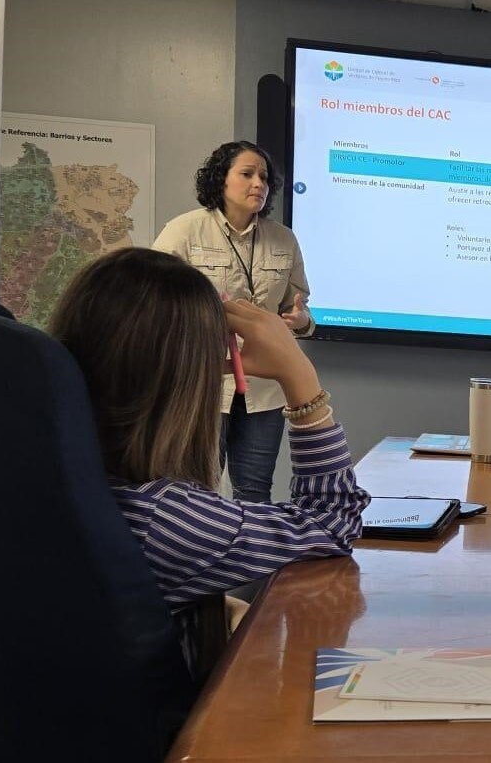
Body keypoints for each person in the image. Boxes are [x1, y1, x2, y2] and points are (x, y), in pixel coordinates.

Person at [48, 247, 368, 642]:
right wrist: (300, 377)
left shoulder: (36, 480)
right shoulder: (162, 518)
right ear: (189, 379)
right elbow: (332, 524)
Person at [154, 140, 313, 503]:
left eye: (264, 177)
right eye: (247, 174)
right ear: (220, 180)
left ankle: (252, 558)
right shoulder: (184, 230)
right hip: (204, 382)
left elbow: (299, 312)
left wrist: (301, 320)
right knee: (194, 489)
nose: (258, 183)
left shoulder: (284, 239)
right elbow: (152, 300)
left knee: (255, 490)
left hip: (265, 388)